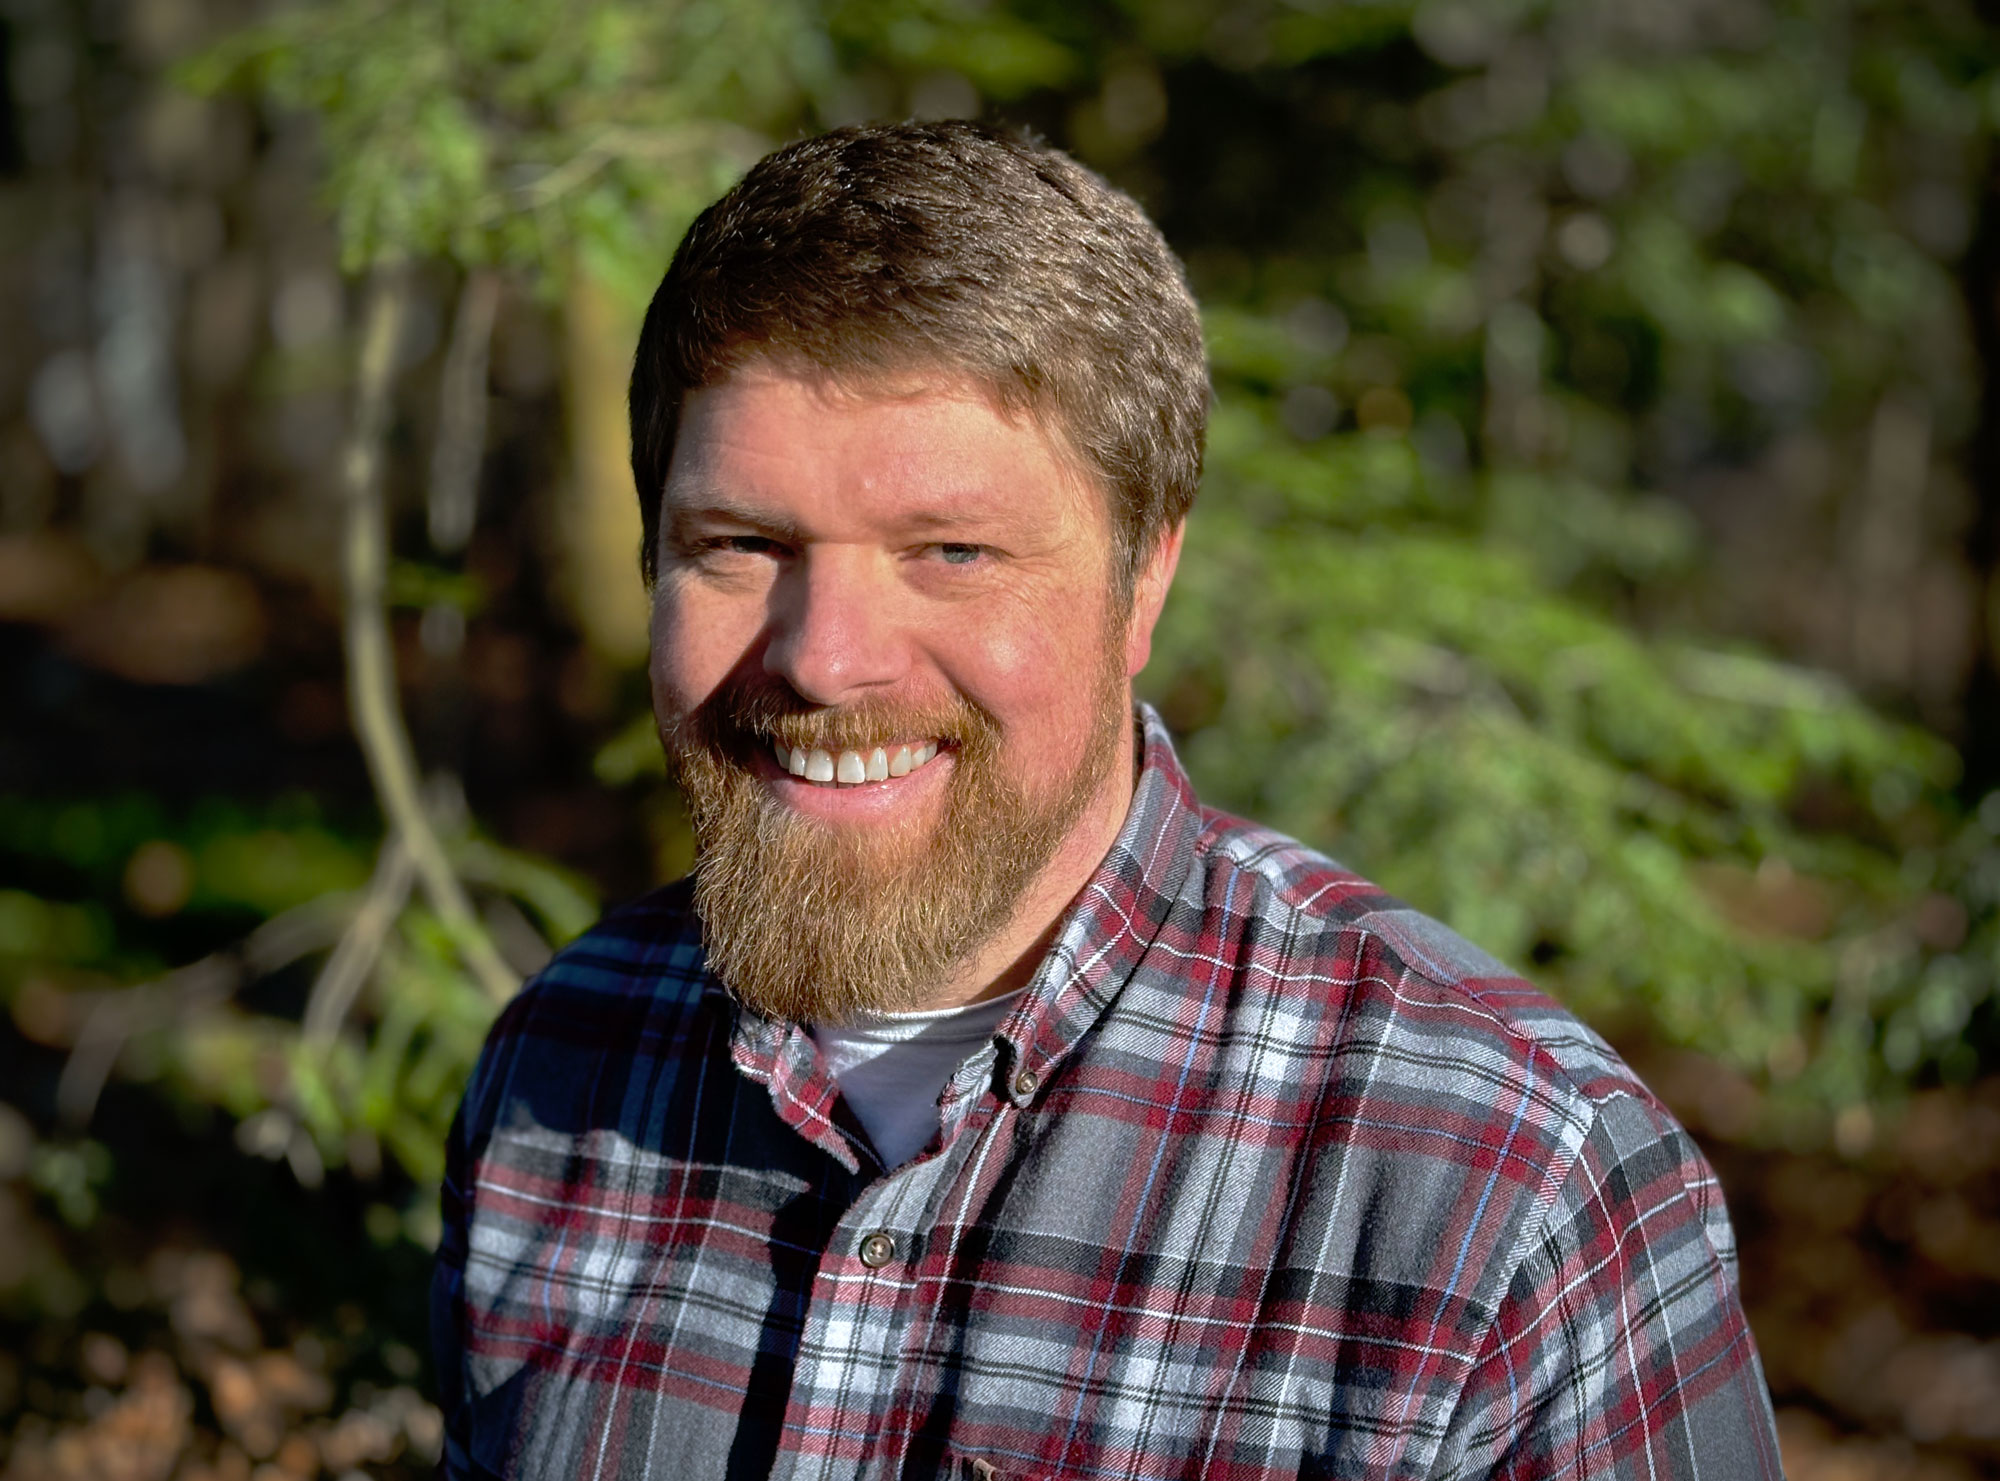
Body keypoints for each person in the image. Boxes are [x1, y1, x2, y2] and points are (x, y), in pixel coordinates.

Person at [432, 120, 1783, 1480]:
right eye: (739, 545)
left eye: (952, 550)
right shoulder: (563, 1062)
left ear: (1145, 583)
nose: (824, 655)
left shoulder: (1511, 1188)